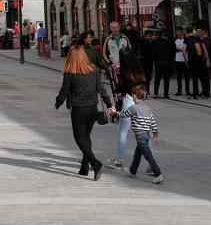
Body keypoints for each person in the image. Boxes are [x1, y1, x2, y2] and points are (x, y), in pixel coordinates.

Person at [54, 45, 116, 180]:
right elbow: (102, 89)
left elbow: (64, 92)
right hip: (92, 108)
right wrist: (109, 104)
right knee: (86, 137)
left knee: (80, 138)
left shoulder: (70, 73)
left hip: (78, 109)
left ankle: (95, 163)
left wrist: (58, 103)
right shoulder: (93, 71)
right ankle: (84, 166)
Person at [109, 57, 147, 169]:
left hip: (129, 100)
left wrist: (115, 112)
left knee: (122, 132)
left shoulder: (125, 72)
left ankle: (118, 160)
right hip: (140, 100)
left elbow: (121, 89)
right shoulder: (139, 70)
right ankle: (151, 165)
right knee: (143, 132)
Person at [125, 86, 163, 183]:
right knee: (137, 154)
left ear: (134, 96)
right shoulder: (148, 108)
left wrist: (114, 113)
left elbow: (124, 115)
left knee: (148, 156)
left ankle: (158, 174)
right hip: (146, 135)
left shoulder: (133, 108)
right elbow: (153, 122)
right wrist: (156, 134)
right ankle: (132, 171)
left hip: (140, 136)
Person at [185, 27, 210, 99]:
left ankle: (196, 94)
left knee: (195, 78)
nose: (197, 33)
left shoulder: (188, 40)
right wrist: (207, 59)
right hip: (201, 60)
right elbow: (205, 51)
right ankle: (205, 93)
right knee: (203, 77)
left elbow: (184, 51)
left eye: (198, 32)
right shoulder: (199, 40)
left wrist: (186, 60)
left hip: (194, 61)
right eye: (196, 32)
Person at [150, 30, 173, 99]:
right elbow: (171, 52)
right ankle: (166, 94)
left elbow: (151, 51)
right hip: (166, 62)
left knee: (157, 78)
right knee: (166, 79)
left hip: (157, 62)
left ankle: (155, 93)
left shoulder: (155, 41)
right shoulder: (168, 41)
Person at [173, 27, 187, 96]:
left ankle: (188, 91)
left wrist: (180, 49)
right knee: (179, 77)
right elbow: (173, 49)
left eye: (178, 32)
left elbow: (187, 49)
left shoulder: (186, 39)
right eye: (176, 32)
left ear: (182, 32)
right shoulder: (175, 40)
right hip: (178, 60)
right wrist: (182, 49)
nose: (177, 33)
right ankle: (179, 91)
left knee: (186, 76)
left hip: (185, 60)